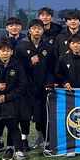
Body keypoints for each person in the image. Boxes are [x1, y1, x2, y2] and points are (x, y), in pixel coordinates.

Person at [14, 18, 56, 151]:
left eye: (39, 28)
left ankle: (46, 140)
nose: (37, 31)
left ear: (43, 30)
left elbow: (51, 68)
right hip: (25, 88)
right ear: (29, 30)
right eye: (34, 28)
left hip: (42, 87)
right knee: (24, 115)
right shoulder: (21, 46)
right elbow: (17, 67)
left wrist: (49, 83)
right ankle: (24, 140)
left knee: (42, 115)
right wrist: (30, 64)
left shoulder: (48, 47)